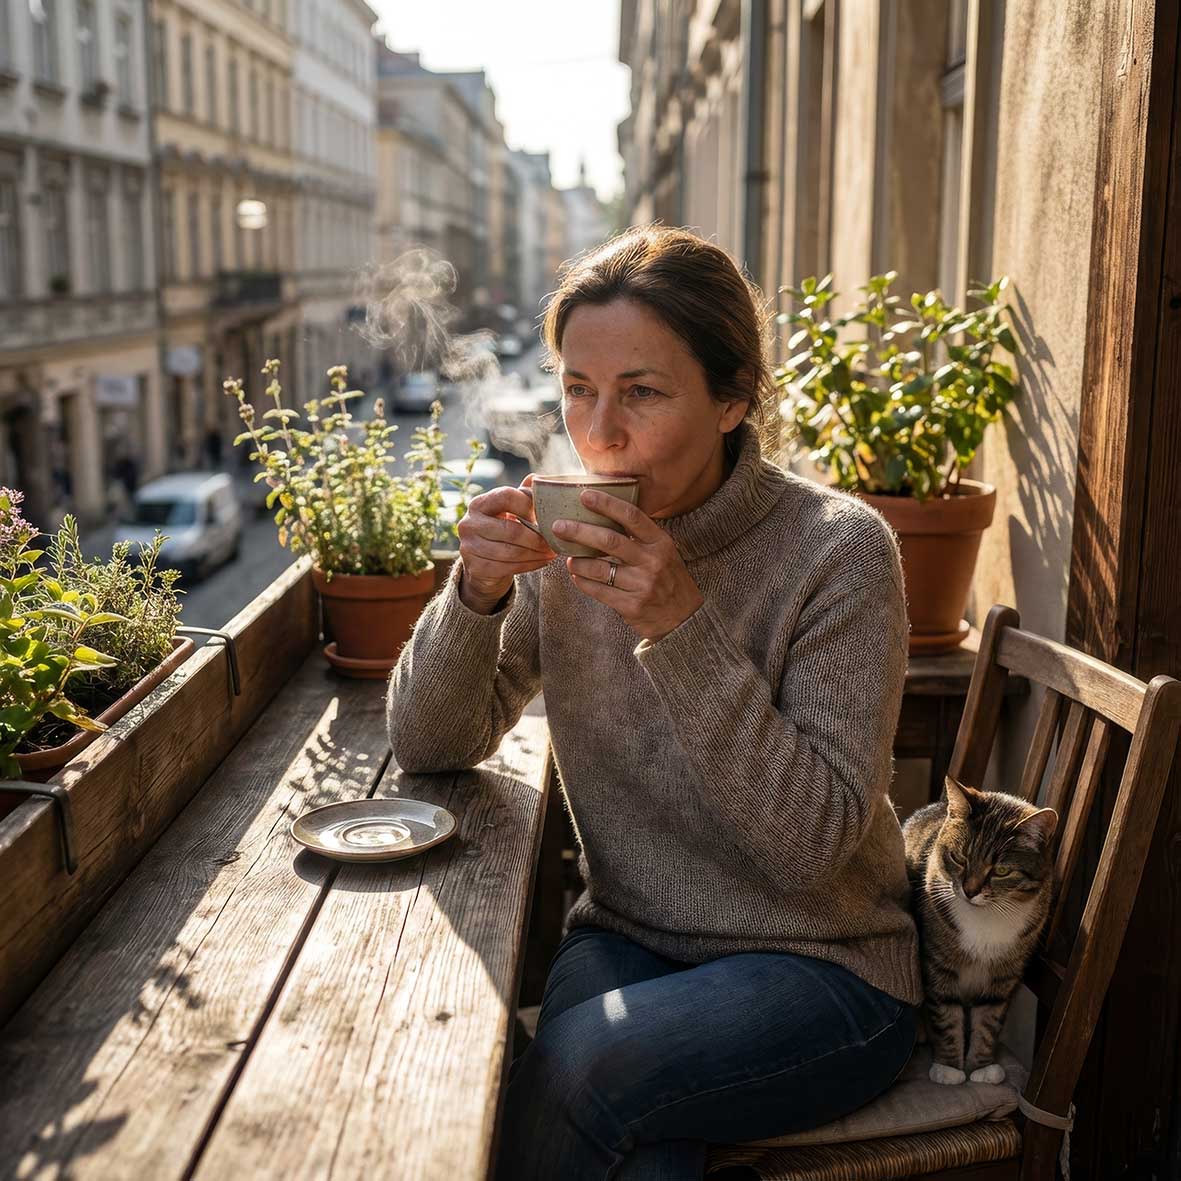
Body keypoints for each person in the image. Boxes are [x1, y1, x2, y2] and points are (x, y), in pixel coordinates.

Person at [386, 225, 920, 1180]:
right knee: (628, 1135)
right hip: (629, 934)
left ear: (732, 398)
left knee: (579, 1066)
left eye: (641, 392)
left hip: (826, 965)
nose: (599, 433)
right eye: (578, 389)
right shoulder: (570, 540)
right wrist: (474, 594)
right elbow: (431, 744)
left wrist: (679, 626)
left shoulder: (839, 551)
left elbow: (808, 848)